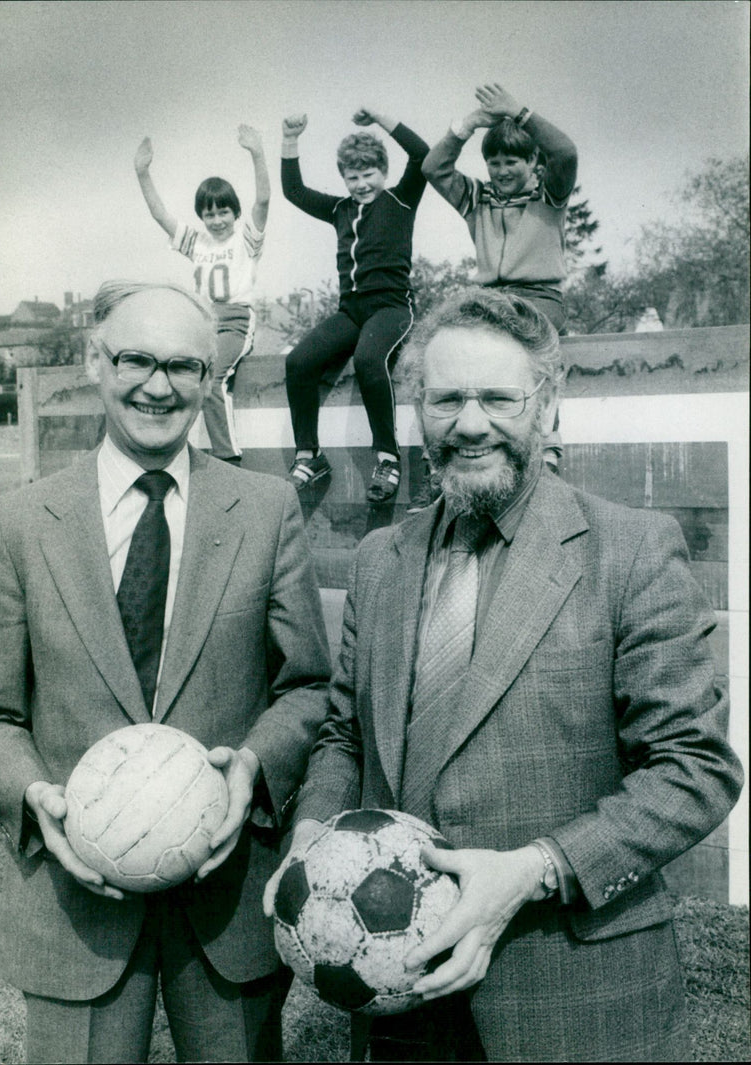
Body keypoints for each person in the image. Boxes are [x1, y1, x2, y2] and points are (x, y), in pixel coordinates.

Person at [265, 289, 743, 1062]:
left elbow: (694, 769)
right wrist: (317, 827)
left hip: (571, 995)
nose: (472, 422)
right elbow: (344, 734)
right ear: (420, 409)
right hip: (399, 992)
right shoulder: (382, 560)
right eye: (448, 398)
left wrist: (535, 868)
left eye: (498, 397)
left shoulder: (631, 552)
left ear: (548, 408)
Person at [0, 281, 331, 1064]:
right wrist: (35, 797)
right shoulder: (20, 524)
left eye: (185, 366)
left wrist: (252, 771)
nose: (158, 385)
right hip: (75, 908)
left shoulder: (264, 511)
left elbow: (307, 686)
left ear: (209, 377)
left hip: (228, 908)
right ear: (96, 361)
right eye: (135, 359)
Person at [421, 82, 577, 486]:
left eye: (512, 162)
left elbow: (566, 152)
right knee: (446, 343)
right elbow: (432, 168)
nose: (502, 171)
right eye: (494, 163)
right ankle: (442, 452)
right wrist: (470, 124)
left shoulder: (549, 194)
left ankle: (547, 444)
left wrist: (521, 112)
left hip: (540, 297)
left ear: (532, 164)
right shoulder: (478, 199)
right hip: (491, 298)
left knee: (524, 341)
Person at [281, 106, 429, 503]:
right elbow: (293, 192)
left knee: (368, 360)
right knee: (297, 362)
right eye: (353, 177)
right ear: (343, 178)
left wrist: (382, 117)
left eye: (368, 175)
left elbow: (422, 154)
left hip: (392, 308)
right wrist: (290, 140)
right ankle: (309, 457)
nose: (361, 184)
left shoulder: (401, 199)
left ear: (382, 172)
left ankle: (388, 458)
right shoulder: (339, 209)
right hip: (352, 311)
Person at [134, 126, 270, 463]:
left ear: (235, 213)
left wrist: (256, 153)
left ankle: (228, 457)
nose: (217, 220)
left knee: (212, 381)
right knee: (175, 377)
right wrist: (142, 172)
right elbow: (159, 214)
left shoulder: (245, 240)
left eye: (223, 212)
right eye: (209, 214)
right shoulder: (198, 244)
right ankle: (171, 449)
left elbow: (264, 199)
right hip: (202, 325)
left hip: (236, 322)